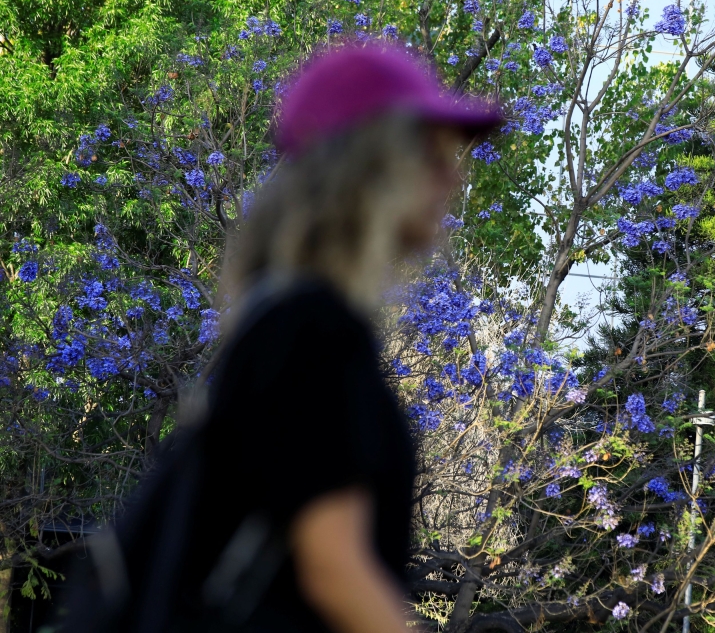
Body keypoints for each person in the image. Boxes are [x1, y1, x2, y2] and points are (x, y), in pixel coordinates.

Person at [57, 45, 499, 633]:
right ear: (369, 167)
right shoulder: (314, 330)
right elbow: (332, 568)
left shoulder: (285, 318)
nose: (451, 175)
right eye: (431, 153)